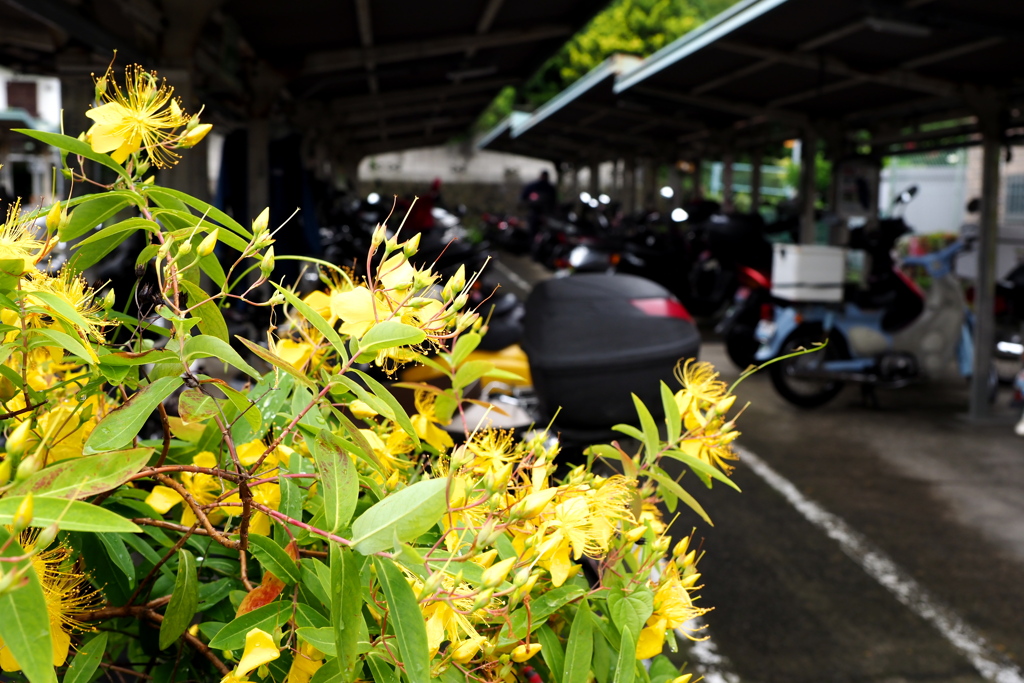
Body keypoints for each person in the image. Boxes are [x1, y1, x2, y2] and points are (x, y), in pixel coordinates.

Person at [520, 170, 556, 238]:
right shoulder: (533, 186)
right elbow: (524, 197)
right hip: (534, 212)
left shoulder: (550, 188)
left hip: (547, 214)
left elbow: (554, 201)